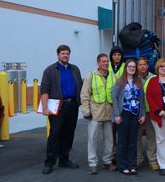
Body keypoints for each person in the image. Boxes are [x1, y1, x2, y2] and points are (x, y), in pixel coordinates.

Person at [40, 45, 82, 174]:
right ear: (57, 55)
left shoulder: (74, 69)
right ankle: (49, 162)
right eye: (63, 53)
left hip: (72, 105)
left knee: (68, 134)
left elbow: (80, 86)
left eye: (67, 53)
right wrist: (45, 107)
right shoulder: (50, 70)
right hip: (57, 107)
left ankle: (64, 159)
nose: (65, 56)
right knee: (54, 134)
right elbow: (45, 90)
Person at [81, 53, 118, 175]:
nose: (106, 63)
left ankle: (107, 161)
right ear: (98, 63)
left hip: (109, 113)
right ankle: (92, 163)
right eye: (103, 61)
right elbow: (85, 95)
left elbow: (118, 95)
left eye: (107, 61)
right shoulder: (91, 76)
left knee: (109, 139)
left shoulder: (114, 76)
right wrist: (86, 111)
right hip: (95, 113)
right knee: (92, 139)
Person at [111, 59, 146, 175]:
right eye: (129, 66)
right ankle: (122, 166)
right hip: (123, 114)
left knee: (133, 142)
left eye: (133, 67)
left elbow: (142, 100)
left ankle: (132, 165)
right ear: (126, 68)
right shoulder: (119, 82)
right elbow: (114, 99)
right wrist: (117, 115)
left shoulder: (139, 81)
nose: (132, 68)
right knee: (122, 142)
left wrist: (143, 114)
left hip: (135, 115)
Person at [136, 57, 159, 171]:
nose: (142, 67)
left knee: (151, 136)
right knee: (137, 137)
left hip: (150, 111)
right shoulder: (133, 78)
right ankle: (138, 159)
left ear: (147, 66)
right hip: (137, 112)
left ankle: (153, 160)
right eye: (140, 65)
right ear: (137, 66)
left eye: (144, 64)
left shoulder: (153, 78)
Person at [109, 46, 124, 165]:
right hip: (109, 104)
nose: (117, 56)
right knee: (111, 133)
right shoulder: (106, 67)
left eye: (119, 54)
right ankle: (113, 155)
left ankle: (121, 155)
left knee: (122, 132)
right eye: (114, 55)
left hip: (122, 104)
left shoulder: (125, 67)